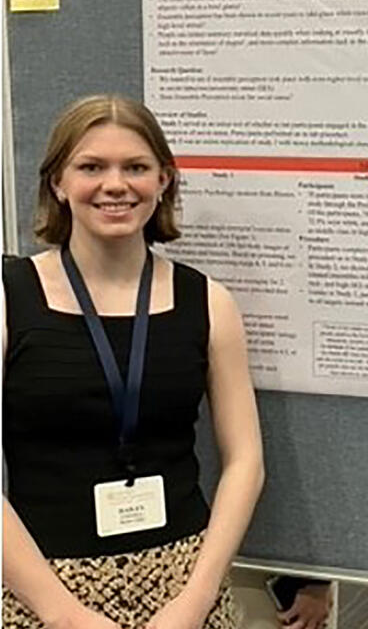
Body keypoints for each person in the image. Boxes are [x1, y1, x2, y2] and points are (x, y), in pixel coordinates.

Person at [2, 95, 265, 628]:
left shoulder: (208, 302)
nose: (115, 185)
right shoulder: (10, 298)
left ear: (164, 180)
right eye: (92, 167)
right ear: (58, 182)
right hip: (44, 586)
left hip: (183, 584)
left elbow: (245, 463)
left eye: (137, 167)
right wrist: (65, 617)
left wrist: (196, 601)